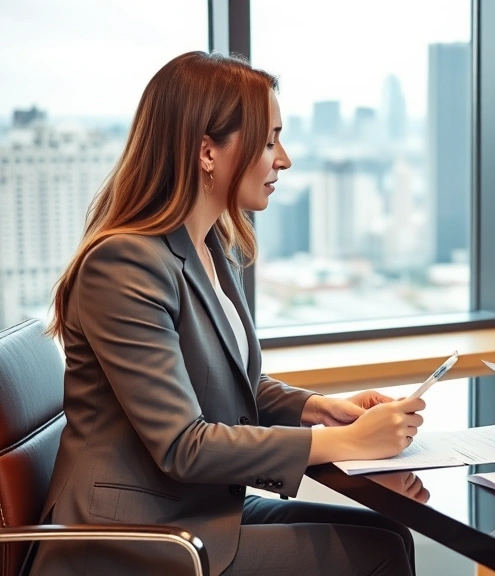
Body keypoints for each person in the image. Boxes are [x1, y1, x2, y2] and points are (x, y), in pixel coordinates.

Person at [31, 51, 423, 576]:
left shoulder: (211, 245)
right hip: (128, 538)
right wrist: (344, 441)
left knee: (389, 533)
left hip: (190, 507)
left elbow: (221, 378)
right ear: (206, 152)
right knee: (378, 554)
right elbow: (182, 445)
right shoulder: (123, 264)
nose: (283, 159)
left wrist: (319, 410)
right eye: (267, 140)